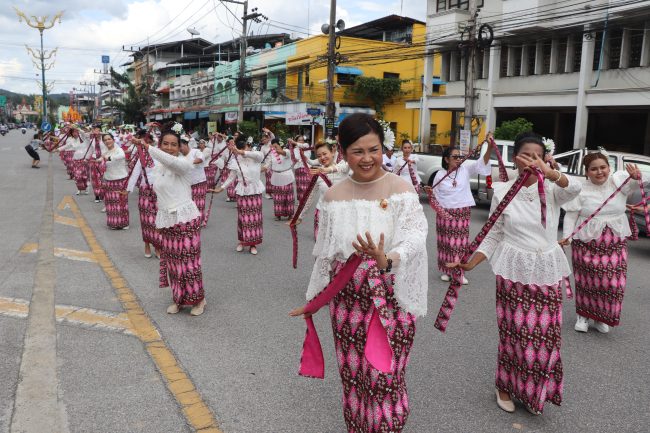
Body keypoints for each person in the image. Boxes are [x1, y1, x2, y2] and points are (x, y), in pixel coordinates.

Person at [290, 113, 428, 433]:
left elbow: (415, 235)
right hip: (347, 306)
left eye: (374, 149)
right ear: (343, 152)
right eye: (357, 151)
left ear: (383, 148)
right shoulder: (333, 196)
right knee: (353, 377)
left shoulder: (400, 189)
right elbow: (326, 256)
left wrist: (388, 258)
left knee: (385, 378)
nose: (367, 159)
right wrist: (312, 301)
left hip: (390, 300)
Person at [447, 132, 581, 415]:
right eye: (525, 155)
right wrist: (472, 262)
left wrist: (552, 173)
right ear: (515, 159)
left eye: (537, 155)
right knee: (515, 334)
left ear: (544, 158)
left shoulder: (554, 186)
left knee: (546, 336)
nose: (531, 160)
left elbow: (575, 190)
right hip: (513, 269)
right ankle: (504, 386)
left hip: (546, 268)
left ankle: (533, 391)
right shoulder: (503, 190)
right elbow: (494, 233)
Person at [561, 153, 645, 333]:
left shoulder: (619, 181)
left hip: (614, 239)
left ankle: (602, 316)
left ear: (609, 168)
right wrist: (567, 237)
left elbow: (637, 182)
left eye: (603, 167)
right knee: (587, 281)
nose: (599, 172)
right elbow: (571, 214)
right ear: (587, 172)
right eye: (594, 169)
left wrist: (637, 176)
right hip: (586, 241)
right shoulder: (580, 189)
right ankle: (583, 316)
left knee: (613, 283)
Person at [137, 125, 206, 316]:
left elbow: (170, 161)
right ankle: (179, 299)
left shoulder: (184, 164)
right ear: (161, 144)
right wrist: (159, 223)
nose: (169, 147)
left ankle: (198, 300)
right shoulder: (158, 168)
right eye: (165, 144)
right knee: (174, 264)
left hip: (186, 220)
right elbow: (160, 197)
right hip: (168, 220)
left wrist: (148, 148)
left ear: (179, 147)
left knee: (189, 264)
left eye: (173, 145)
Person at [427, 143, 492, 284]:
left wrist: (490, 147)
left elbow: (483, 162)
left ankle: (459, 272)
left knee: (459, 244)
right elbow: (435, 195)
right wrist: (431, 194)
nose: (458, 159)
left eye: (460, 156)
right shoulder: (439, 174)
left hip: (462, 212)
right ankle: (447, 271)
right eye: (455, 156)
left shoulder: (465, 170)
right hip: (444, 212)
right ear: (446, 159)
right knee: (445, 243)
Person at [211, 136, 265, 255]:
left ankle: (253, 244)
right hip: (242, 191)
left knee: (255, 219)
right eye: (239, 149)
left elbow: (258, 156)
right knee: (243, 218)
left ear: (248, 147)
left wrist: (241, 151)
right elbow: (231, 177)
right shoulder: (235, 161)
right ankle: (241, 241)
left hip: (255, 191)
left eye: (243, 148)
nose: (240, 152)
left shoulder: (256, 156)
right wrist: (221, 188)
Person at [292, 140, 349, 239]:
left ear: (332, 152)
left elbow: (345, 166)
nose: (322, 157)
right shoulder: (317, 174)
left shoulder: (342, 166)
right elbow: (310, 197)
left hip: (341, 213)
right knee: (322, 247)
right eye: (319, 156)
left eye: (324, 154)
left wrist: (327, 170)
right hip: (322, 213)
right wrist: (299, 217)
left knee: (339, 246)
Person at [126, 130, 161, 258]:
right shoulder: (140, 157)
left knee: (158, 220)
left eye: (148, 142)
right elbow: (135, 174)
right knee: (146, 220)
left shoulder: (160, 154)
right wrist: (128, 190)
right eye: (144, 143)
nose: (146, 145)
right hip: (145, 191)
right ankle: (147, 244)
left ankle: (158, 246)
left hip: (159, 191)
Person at [97, 133, 130, 230]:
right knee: (111, 204)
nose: (107, 141)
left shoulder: (118, 150)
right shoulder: (105, 152)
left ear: (113, 140)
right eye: (105, 140)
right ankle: (114, 223)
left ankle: (124, 223)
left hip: (120, 180)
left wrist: (109, 158)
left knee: (121, 203)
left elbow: (122, 156)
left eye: (109, 139)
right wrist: (95, 161)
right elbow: (101, 159)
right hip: (109, 180)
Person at [180, 135, 208, 221]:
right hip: (186, 184)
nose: (180, 149)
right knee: (188, 204)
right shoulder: (179, 156)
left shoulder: (195, 151)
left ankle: (199, 221)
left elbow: (200, 159)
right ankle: (192, 220)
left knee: (199, 203)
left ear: (186, 144)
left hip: (199, 182)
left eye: (181, 146)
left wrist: (188, 162)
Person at [267, 138, 295, 220]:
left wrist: (275, 150)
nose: (274, 148)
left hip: (287, 176)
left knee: (288, 197)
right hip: (276, 177)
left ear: (280, 144)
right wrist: (263, 168)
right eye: (273, 146)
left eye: (276, 145)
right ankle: (278, 215)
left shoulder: (287, 151)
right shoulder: (272, 154)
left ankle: (290, 215)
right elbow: (268, 164)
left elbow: (283, 153)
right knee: (278, 197)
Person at [59, 127, 90, 195]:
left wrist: (78, 128)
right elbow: (66, 146)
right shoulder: (72, 140)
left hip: (84, 160)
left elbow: (85, 134)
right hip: (76, 160)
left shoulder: (83, 138)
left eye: (76, 132)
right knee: (77, 175)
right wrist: (56, 150)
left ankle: (86, 188)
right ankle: (79, 189)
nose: (75, 133)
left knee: (84, 176)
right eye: (73, 132)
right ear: (71, 133)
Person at [290, 135, 311, 201]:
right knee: (299, 186)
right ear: (297, 141)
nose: (301, 141)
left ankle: (306, 200)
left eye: (302, 140)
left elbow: (302, 146)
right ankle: (300, 201)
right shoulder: (295, 149)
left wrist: (293, 142)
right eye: (299, 140)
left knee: (306, 185)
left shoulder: (306, 145)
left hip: (306, 168)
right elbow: (296, 159)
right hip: (298, 168)